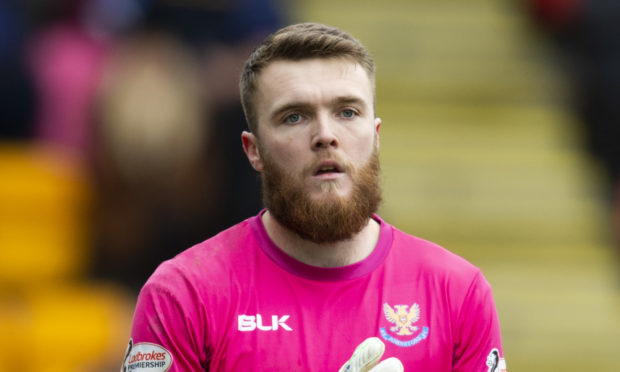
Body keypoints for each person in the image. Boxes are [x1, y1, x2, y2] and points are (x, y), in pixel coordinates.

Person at [122, 22, 507, 372]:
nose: (325, 134)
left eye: (347, 112)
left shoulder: (457, 293)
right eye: (294, 116)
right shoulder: (183, 294)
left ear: (376, 136)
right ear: (253, 150)